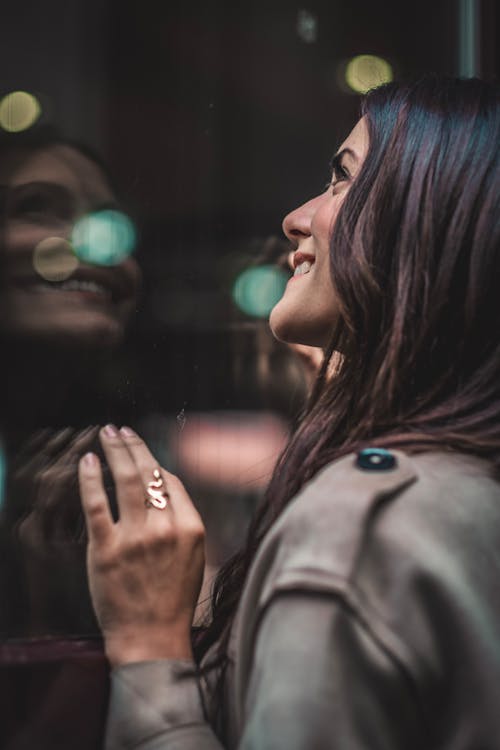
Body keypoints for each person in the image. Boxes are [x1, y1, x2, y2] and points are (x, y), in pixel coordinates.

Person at [79, 75, 500, 749]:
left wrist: (149, 646)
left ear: (427, 223)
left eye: (342, 180)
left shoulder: (359, 530)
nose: (296, 217)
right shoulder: (468, 478)